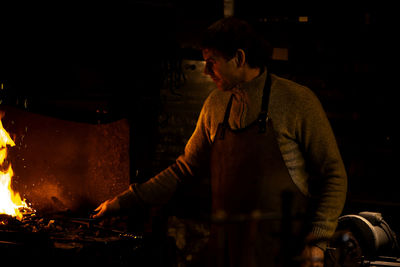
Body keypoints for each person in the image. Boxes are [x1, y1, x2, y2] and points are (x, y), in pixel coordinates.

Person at [92, 17, 347, 267]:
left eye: (211, 62)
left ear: (239, 58)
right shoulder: (216, 104)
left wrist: (317, 242)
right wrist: (124, 201)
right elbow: (183, 170)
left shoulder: (297, 101)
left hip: (282, 254)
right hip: (225, 253)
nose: (205, 71)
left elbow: (334, 175)